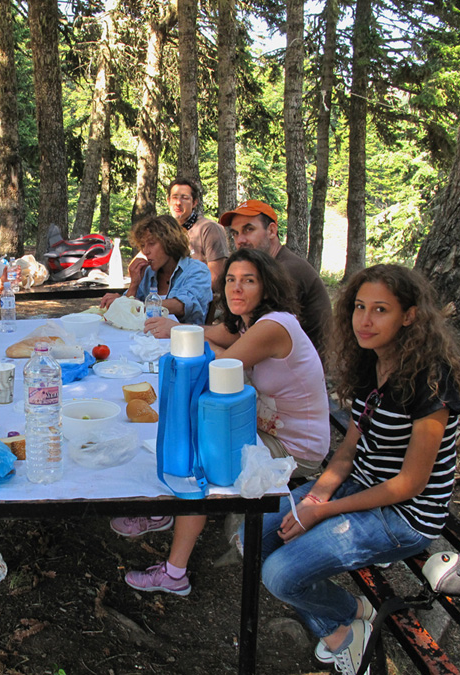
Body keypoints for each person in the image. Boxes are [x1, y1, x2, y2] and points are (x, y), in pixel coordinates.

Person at [255, 264, 460, 675]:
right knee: (254, 535)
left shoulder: (431, 382)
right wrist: (317, 495)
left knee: (279, 574)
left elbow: (411, 483)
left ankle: (346, 626)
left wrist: (322, 511)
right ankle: (349, 620)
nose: (364, 320)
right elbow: (350, 449)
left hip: (406, 514)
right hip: (359, 484)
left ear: (409, 316)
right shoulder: (370, 362)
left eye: (380, 310)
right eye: (359, 307)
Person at [113, 248, 330, 597]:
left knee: (200, 452)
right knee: (185, 429)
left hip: (295, 448)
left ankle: (174, 572)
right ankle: (165, 508)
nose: (236, 289)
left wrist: (182, 334)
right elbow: (215, 335)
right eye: (230, 280)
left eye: (248, 281)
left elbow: (221, 368)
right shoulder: (252, 323)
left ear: (267, 286)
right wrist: (183, 329)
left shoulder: (275, 325)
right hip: (265, 427)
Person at [219, 199, 331, 355]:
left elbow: (243, 336)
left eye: (248, 230)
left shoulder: (286, 271)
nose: (240, 240)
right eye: (235, 233)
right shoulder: (268, 268)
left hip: (293, 371)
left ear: (271, 231)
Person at [99, 214, 212, 326]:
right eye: (143, 245)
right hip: (147, 339)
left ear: (170, 243)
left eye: (151, 244)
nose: (146, 251)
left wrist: (136, 306)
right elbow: (125, 316)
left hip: (183, 339)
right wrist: (134, 284)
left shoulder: (197, 270)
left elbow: (181, 306)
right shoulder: (148, 272)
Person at [165, 177, 231, 285]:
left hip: (200, 297)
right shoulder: (165, 231)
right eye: (174, 197)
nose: (178, 203)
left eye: (184, 198)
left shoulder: (209, 229)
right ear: (168, 201)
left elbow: (216, 277)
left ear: (194, 202)